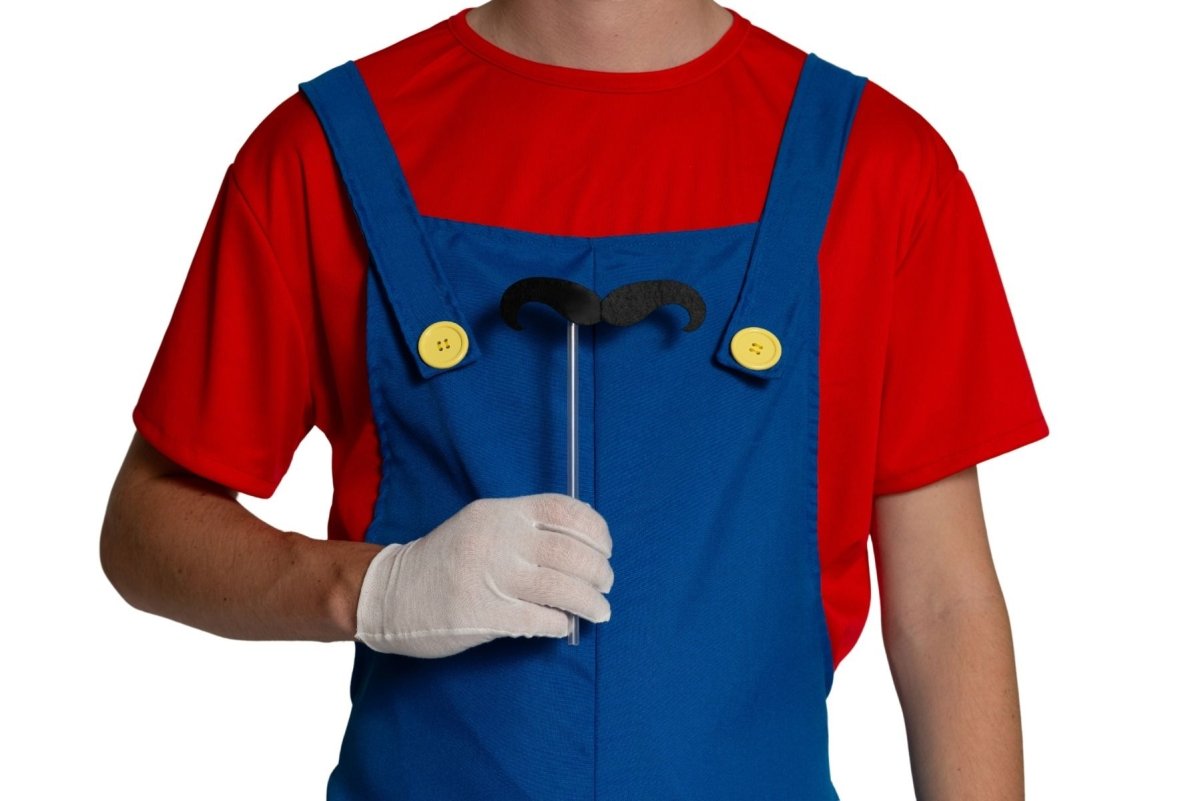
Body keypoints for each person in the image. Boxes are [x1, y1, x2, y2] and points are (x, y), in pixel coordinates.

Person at [100, 1, 1048, 798]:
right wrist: (374, 587)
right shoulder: (323, 156)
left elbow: (944, 604)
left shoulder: (880, 169)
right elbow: (145, 528)